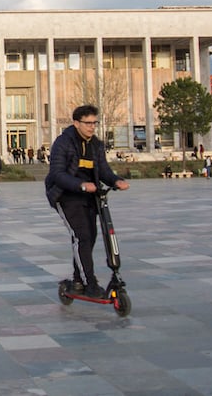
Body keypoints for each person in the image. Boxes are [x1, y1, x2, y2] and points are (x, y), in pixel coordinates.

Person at [46, 104, 131, 299]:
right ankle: (89, 283)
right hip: (65, 194)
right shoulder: (63, 143)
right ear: (76, 123)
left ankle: (77, 279)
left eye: (94, 123)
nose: (92, 127)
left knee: (89, 237)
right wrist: (81, 185)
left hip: (90, 195)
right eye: (87, 123)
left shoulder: (96, 145)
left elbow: (104, 170)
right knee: (81, 236)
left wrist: (116, 181)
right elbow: (57, 174)